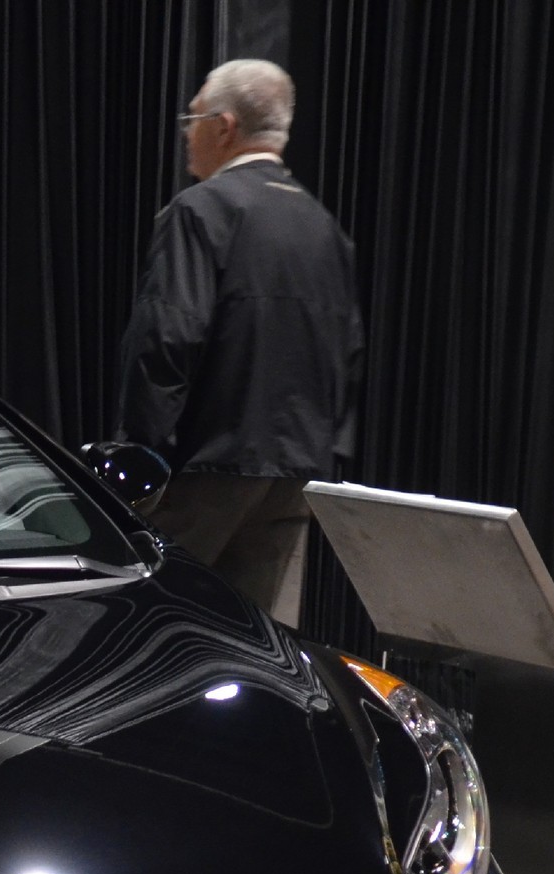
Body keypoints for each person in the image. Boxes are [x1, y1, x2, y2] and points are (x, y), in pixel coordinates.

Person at [115, 59, 363, 626]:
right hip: (296, 470)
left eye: (192, 116)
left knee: (162, 627)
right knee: (259, 637)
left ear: (224, 126)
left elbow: (167, 336)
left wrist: (142, 453)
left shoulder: (201, 211)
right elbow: (348, 354)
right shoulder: (323, 225)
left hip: (204, 466)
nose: (185, 131)